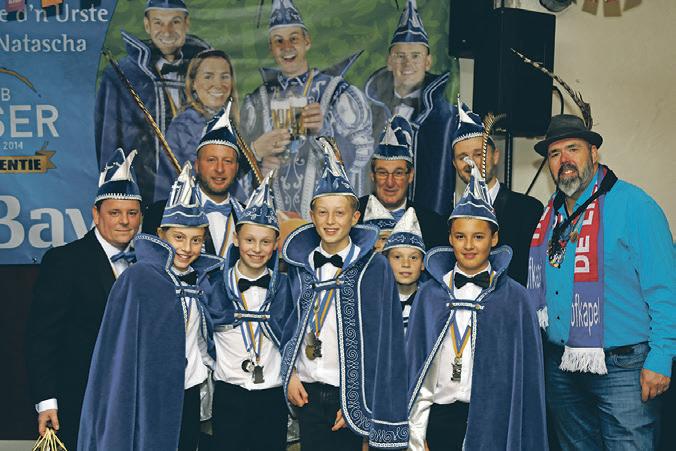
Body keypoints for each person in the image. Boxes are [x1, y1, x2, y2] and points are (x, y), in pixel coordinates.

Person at [527, 114, 675, 450]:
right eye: (554, 153)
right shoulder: (551, 216)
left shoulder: (635, 206)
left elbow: (666, 289)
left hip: (624, 368)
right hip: (562, 367)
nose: (564, 160)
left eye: (573, 149)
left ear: (594, 153)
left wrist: (662, 357)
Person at [78, 162, 224, 451]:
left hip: (189, 390)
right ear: (161, 234)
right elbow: (118, 353)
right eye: (178, 237)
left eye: (196, 240)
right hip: (151, 396)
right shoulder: (138, 278)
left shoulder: (202, 281)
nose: (187, 248)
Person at [406, 157, 548, 450]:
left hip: (494, 420)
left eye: (479, 237)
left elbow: (528, 381)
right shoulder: (430, 295)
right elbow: (413, 369)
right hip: (439, 419)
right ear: (450, 238)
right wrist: (416, 433)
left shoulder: (515, 298)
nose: (469, 245)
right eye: (460, 236)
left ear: (494, 239)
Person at [279, 137, 409, 450]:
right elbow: (286, 324)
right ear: (312, 216)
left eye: (339, 213)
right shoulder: (300, 265)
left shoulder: (374, 268)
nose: (330, 221)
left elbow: (385, 340)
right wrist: (290, 375)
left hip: (349, 395)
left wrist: (358, 404)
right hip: (307, 389)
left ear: (355, 217)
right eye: (322, 212)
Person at [25, 149, 142, 449]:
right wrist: (46, 400)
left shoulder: (148, 264)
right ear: (96, 214)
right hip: (80, 401)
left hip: (135, 401)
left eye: (132, 213)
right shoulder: (65, 261)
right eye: (115, 213)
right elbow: (41, 338)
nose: (124, 221)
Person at [240, 0, 373, 218]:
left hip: (327, 221)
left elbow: (362, 155)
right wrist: (259, 168)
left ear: (307, 41)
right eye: (278, 41)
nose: (286, 47)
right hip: (273, 222)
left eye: (294, 38)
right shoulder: (257, 100)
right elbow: (236, 170)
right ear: (270, 48)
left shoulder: (335, 92)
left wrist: (325, 131)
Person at [207, 172, 292, 451]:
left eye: (265, 242)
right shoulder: (215, 286)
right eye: (250, 240)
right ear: (236, 239)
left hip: (272, 398)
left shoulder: (287, 288)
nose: (257, 249)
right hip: (229, 396)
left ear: (276, 244)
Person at [96, 0, 210, 205]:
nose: (167, 31)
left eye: (175, 22)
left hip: (200, 190)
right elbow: (109, 142)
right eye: (158, 22)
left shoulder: (207, 70)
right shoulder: (122, 74)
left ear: (187, 24)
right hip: (147, 192)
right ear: (147, 25)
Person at [364, 0, 458, 218]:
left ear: (428, 62)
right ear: (389, 61)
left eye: (415, 56)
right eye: (400, 56)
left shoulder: (443, 116)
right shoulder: (368, 109)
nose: (407, 64)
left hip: (424, 219)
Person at [451, 100, 543, 286]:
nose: (471, 162)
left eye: (479, 154)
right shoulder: (448, 218)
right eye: (462, 157)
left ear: (495, 156)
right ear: (454, 164)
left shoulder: (528, 211)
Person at [143, 101, 244, 257]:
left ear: (236, 168)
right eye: (211, 160)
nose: (219, 169)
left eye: (227, 161)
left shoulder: (248, 217)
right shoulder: (160, 215)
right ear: (196, 166)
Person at [155, 49, 240, 200]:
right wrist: (256, 152)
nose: (218, 84)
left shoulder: (229, 122)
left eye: (224, 76)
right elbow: (210, 178)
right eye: (208, 76)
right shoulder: (186, 124)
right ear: (193, 83)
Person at [357, 115, 447, 250]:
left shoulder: (433, 225)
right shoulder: (351, 218)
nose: (390, 182)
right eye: (382, 173)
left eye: (398, 173)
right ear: (372, 176)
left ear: (410, 176)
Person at [382, 207, 426, 329]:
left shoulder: (431, 302)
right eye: (397, 257)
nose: (406, 264)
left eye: (413, 257)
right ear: (386, 262)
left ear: (423, 264)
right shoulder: (375, 300)